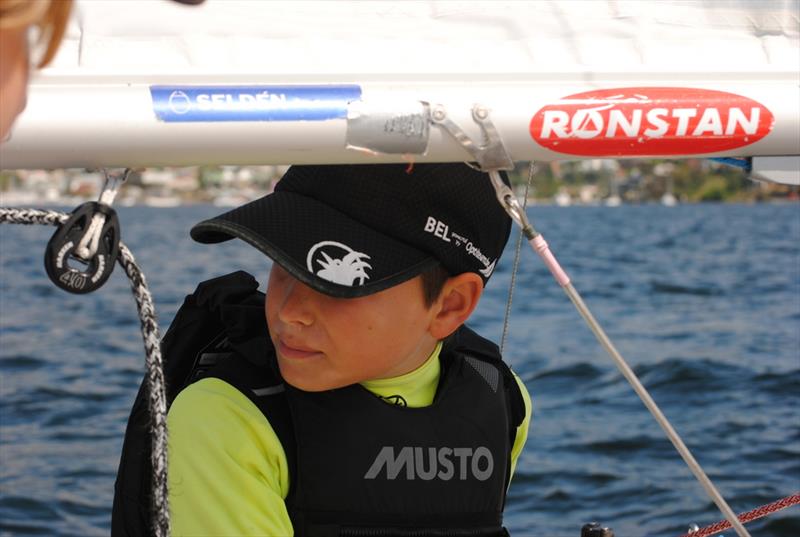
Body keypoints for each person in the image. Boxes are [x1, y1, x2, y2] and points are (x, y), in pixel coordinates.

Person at [167, 162, 533, 536]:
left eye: (338, 284)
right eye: (282, 262)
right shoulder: (224, 418)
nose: (289, 312)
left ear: (450, 305)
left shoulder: (502, 396)